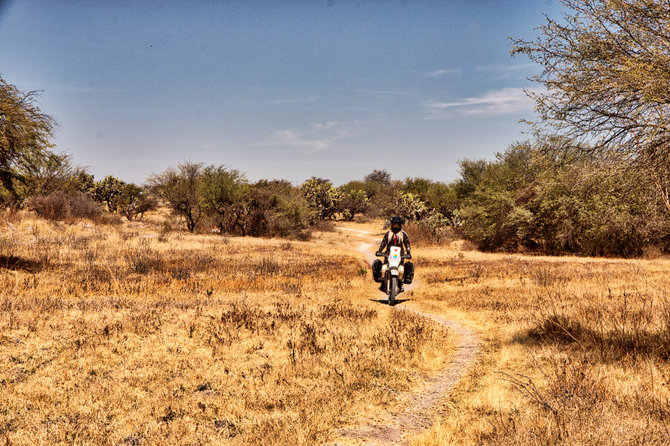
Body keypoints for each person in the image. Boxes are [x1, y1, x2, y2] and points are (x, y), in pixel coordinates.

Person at [372, 216, 414, 292]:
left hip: (400, 255)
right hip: (388, 255)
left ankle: (400, 284)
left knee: (401, 269)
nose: (395, 227)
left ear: (400, 225)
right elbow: (383, 243)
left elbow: (407, 245)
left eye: (397, 225)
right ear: (391, 225)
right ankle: (383, 283)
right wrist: (380, 251)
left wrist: (408, 253)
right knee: (384, 268)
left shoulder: (403, 235)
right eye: (394, 225)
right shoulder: (388, 234)